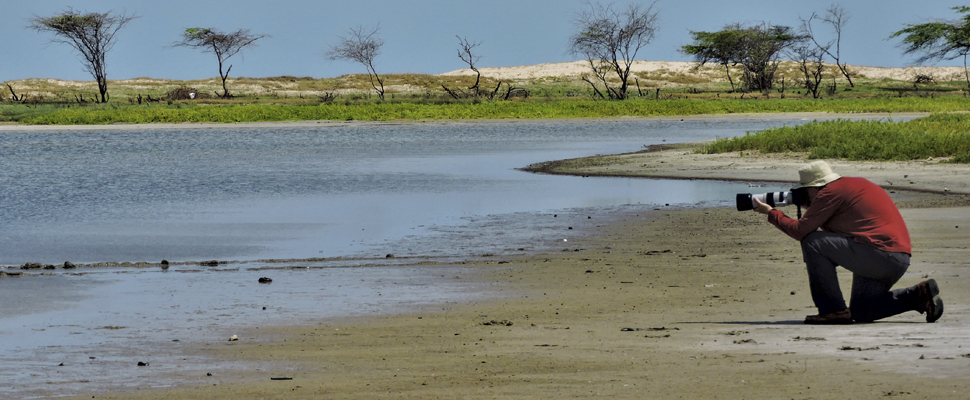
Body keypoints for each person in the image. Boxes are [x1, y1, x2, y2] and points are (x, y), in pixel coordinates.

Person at [752, 160, 943, 324]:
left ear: (813, 187)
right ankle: (918, 295)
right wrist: (812, 208)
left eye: (804, 191)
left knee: (812, 242)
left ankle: (832, 310)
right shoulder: (853, 185)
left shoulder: (829, 193)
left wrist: (771, 213)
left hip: (879, 255)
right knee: (862, 311)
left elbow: (800, 231)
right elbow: (843, 230)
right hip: (895, 258)